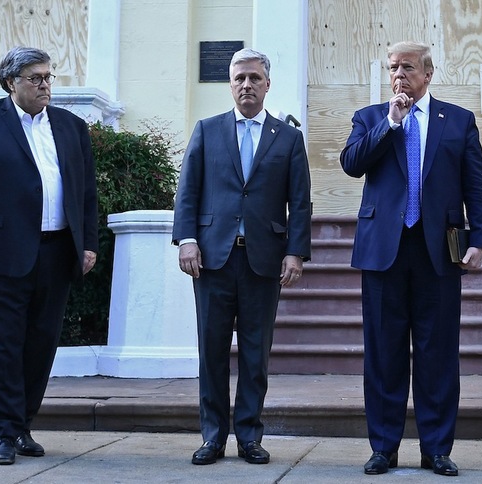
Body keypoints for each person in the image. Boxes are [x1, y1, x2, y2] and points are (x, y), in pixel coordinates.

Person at [340, 41, 482, 476]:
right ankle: (384, 447)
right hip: (383, 251)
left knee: (438, 353)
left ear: (428, 74)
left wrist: (479, 237)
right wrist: (391, 122)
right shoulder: (370, 118)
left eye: (407, 67)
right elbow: (352, 163)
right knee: (384, 354)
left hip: (438, 252)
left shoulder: (458, 120)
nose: (399, 75)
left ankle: (437, 448)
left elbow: (474, 183)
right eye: (392, 68)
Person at [172, 48, 311, 466]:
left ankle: (249, 436)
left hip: (263, 262)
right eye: (239, 78)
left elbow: (300, 203)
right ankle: (213, 437)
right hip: (213, 260)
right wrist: (187, 240)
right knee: (211, 352)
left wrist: (296, 253)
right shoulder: (207, 130)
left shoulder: (287, 138)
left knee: (256, 353)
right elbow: (188, 190)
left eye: (254, 78)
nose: (246, 85)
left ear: (267, 84)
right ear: (230, 84)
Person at [0, 46, 98, 465]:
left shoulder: (71, 127)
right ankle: (2, 432)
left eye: (48, 77)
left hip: (57, 252)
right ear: (10, 83)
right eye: (35, 78)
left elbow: (86, 193)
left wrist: (87, 243)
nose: (45, 85)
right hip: (2, 253)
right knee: (5, 344)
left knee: (42, 343)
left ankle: (22, 426)